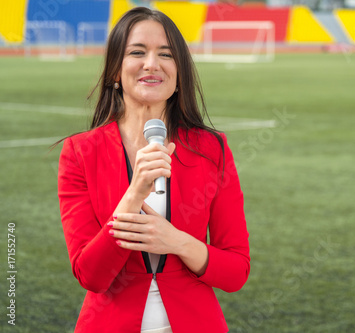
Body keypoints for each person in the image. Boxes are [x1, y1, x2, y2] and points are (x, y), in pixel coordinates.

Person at [57, 7, 250, 333]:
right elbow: (91, 276)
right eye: (137, 52)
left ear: (179, 74)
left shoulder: (212, 149)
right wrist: (134, 194)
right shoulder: (80, 152)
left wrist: (177, 242)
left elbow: (236, 271)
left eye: (166, 54)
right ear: (115, 71)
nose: (152, 63)